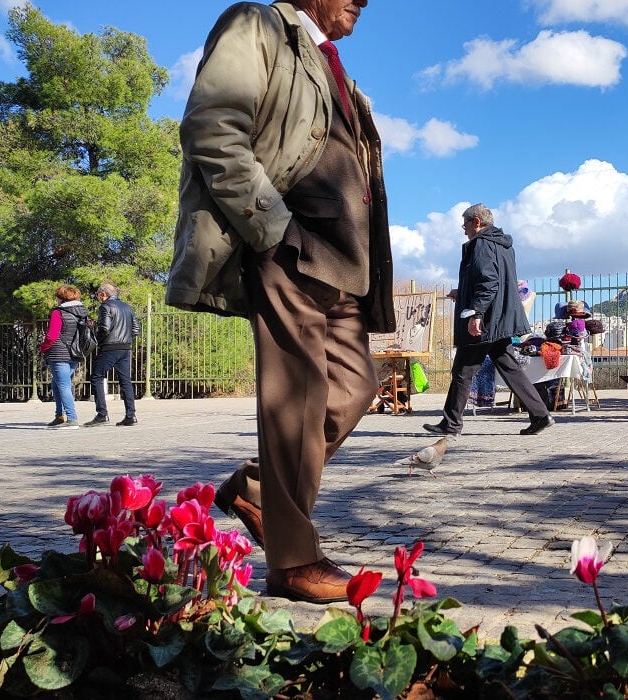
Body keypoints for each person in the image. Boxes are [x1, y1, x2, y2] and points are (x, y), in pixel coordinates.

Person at [168, 0, 393, 605]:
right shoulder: (259, 24)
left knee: (355, 386)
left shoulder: (336, 69)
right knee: (296, 397)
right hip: (289, 244)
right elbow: (213, 126)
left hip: (343, 260)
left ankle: (260, 492)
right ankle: (292, 562)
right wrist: (273, 228)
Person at [423, 204, 554, 436]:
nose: (464, 230)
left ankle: (451, 424)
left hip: (486, 322)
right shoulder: (503, 246)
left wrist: (476, 314)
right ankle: (541, 415)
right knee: (510, 368)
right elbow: (492, 281)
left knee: (463, 370)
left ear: (476, 222)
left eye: (465, 224)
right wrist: (462, 291)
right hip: (500, 319)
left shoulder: (481, 244)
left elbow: (488, 282)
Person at [84, 283, 141, 427]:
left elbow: (105, 328)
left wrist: (98, 338)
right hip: (125, 348)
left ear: (103, 294)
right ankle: (131, 415)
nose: (97, 297)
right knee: (125, 381)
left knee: (96, 377)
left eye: (98, 295)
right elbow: (136, 329)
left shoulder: (105, 306)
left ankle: (102, 414)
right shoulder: (127, 306)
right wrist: (126, 340)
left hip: (110, 347)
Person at [39, 285, 89, 429]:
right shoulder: (82, 312)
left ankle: (72, 418)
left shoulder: (58, 312)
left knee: (63, 385)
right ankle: (59, 415)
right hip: (75, 353)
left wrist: (43, 348)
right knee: (57, 383)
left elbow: (52, 335)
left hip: (58, 353)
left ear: (61, 298)